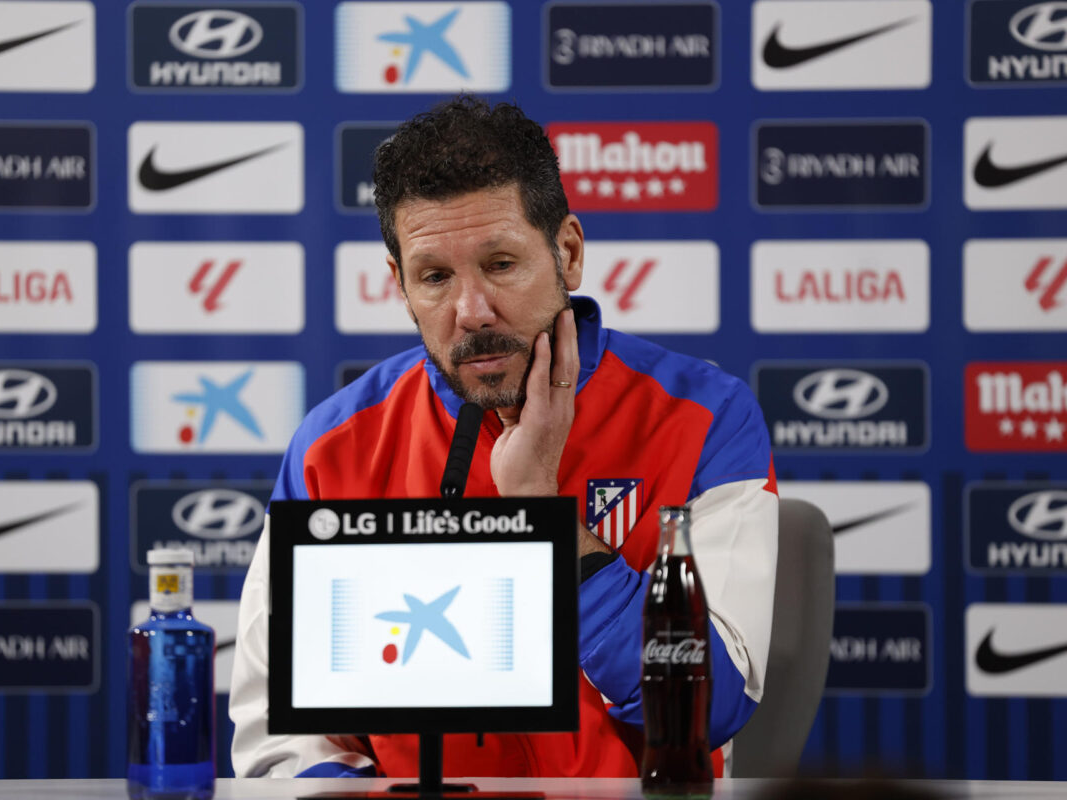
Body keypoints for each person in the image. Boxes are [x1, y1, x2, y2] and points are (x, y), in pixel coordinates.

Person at [230, 95, 778, 779]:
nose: (471, 312)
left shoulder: (702, 419)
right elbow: (281, 740)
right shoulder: (331, 448)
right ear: (400, 286)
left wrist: (544, 515)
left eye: (500, 265)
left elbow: (711, 706)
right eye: (435, 277)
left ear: (568, 254)